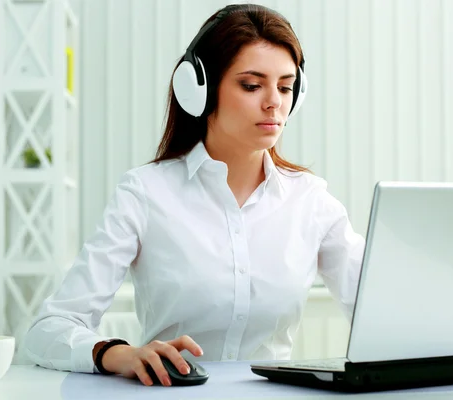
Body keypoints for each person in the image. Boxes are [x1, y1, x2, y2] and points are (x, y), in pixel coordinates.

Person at [24, 3, 365, 387]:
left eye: (286, 87)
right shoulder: (146, 193)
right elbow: (48, 331)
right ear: (198, 90)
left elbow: (382, 311)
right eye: (252, 86)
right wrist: (119, 354)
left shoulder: (311, 201)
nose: (275, 102)